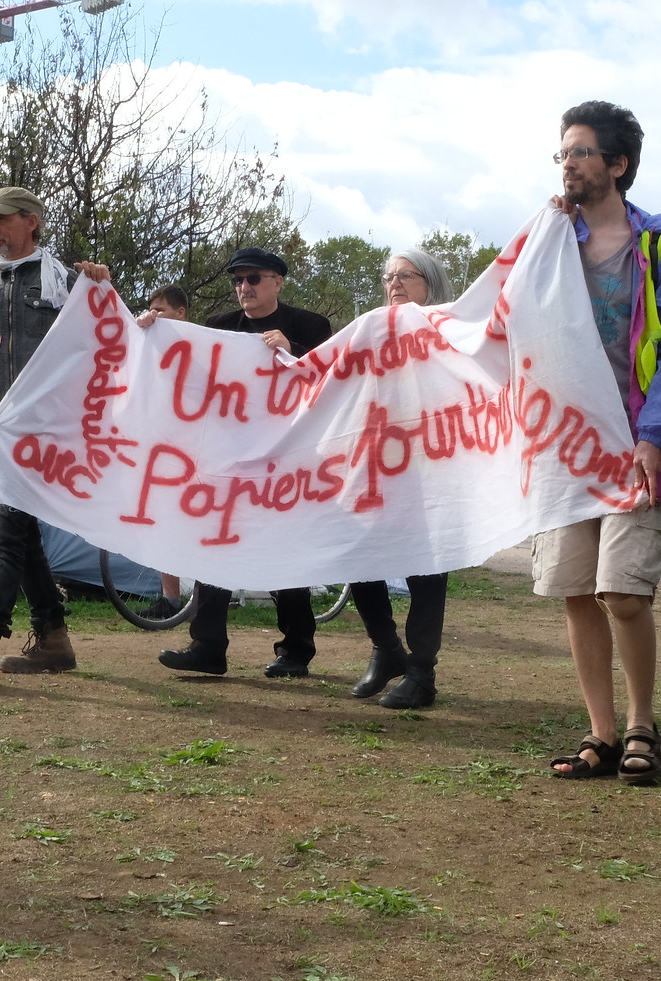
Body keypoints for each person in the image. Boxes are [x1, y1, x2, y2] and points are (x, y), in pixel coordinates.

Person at [537, 101, 661, 785]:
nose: (568, 164)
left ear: (617, 164)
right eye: (563, 153)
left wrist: (658, 434)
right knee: (577, 590)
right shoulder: (548, 243)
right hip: (563, 446)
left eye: (580, 152)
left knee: (624, 592)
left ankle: (643, 724)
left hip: (634, 445)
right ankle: (601, 734)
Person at [0, 187, 112, 689]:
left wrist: (104, 290)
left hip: (47, 432)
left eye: (2, 219)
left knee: (6, 532)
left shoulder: (68, 283)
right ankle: (53, 640)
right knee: (21, 534)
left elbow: (111, 342)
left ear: (30, 222)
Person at [154, 247, 333, 679]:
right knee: (215, 549)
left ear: (278, 281)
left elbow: (333, 379)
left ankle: (296, 649)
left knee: (282, 555)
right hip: (231, 461)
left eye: (253, 278)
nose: (243, 288)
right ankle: (208, 646)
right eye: (237, 280)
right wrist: (148, 333)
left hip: (288, 464)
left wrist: (296, 351)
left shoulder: (311, 325)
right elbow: (187, 375)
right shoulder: (219, 329)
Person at [346, 248, 455, 710]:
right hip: (376, 469)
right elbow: (331, 380)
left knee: (425, 569)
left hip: (432, 471)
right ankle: (386, 647)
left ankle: (422, 671)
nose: (394, 283)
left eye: (405, 276)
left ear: (429, 283)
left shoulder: (450, 335)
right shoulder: (369, 331)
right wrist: (287, 356)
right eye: (389, 276)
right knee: (357, 555)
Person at [136, 284, 193, 619]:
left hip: (195, 448)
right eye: (152, 309)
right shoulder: (153, 339)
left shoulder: (203, 341)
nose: (154, 315)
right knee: (161, 521)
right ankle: (170, 598)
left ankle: (211, 594)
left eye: (161, 310)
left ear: (180, 313)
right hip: (162, 446)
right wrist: (142, 325)